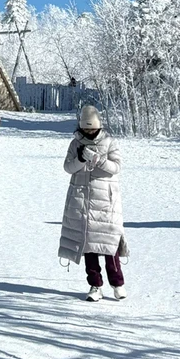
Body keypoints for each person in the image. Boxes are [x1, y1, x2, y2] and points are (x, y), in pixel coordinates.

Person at [58, 104, 126, 301]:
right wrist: (80, 159)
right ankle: (95, 285)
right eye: (85, 129)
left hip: (106, 201)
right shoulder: (75, 144)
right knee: (88, 245)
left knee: (108, 244)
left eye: (92, 128)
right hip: (81, 200)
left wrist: (98, 160)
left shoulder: (110, 142)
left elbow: (116, 167)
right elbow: (68, 167)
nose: (88, 132)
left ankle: (117, 283)